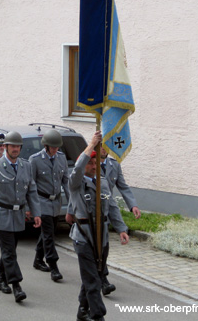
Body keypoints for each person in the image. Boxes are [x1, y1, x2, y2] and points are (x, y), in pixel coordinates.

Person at [66, 131, 129, 321]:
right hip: (84, 236)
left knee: (95, 274)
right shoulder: (76, 183)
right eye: (89, 163)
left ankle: (82, 310)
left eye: (95, 163)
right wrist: (92, 145)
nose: (93, 166)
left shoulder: (103, 182)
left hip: (102, 236)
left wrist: (121, 229)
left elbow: (112, 207)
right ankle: (98, 315)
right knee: (93, 279)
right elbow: (77, 169)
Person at [0, 131, 41, 302]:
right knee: (9, 252)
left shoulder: (26, 166)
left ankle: (1, 278)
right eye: (12, 146)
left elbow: (31, 190)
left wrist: (36, 213)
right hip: (1, 214)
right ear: (5, 147)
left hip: (18, 215)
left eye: (18, 146)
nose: (15, 149)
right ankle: (16, 285)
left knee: (10, 251)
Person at [29, 129, 70, 282]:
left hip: (56, 202)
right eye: (52, 147)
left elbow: (66, 181)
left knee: (47, 234)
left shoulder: (61, 158)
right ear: (45, 146)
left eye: (57, 147)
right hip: (42, 201)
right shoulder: (35, 160)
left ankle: (38, 259)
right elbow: (30, 185)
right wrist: (30, 208)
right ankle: (53, 265)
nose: (55, 150)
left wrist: (72, 203)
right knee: (49, 235)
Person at [99, 146, 140, 295]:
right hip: (90, 211)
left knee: (104, 248)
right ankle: (100, 279)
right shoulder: (89, 164)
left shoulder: (114, 165)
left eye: (106, 146)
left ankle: (102, 279)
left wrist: (132, 205)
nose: (104, 149)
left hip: (107, 209)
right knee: (94, 248)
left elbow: (122, 186)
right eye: (101, 146)